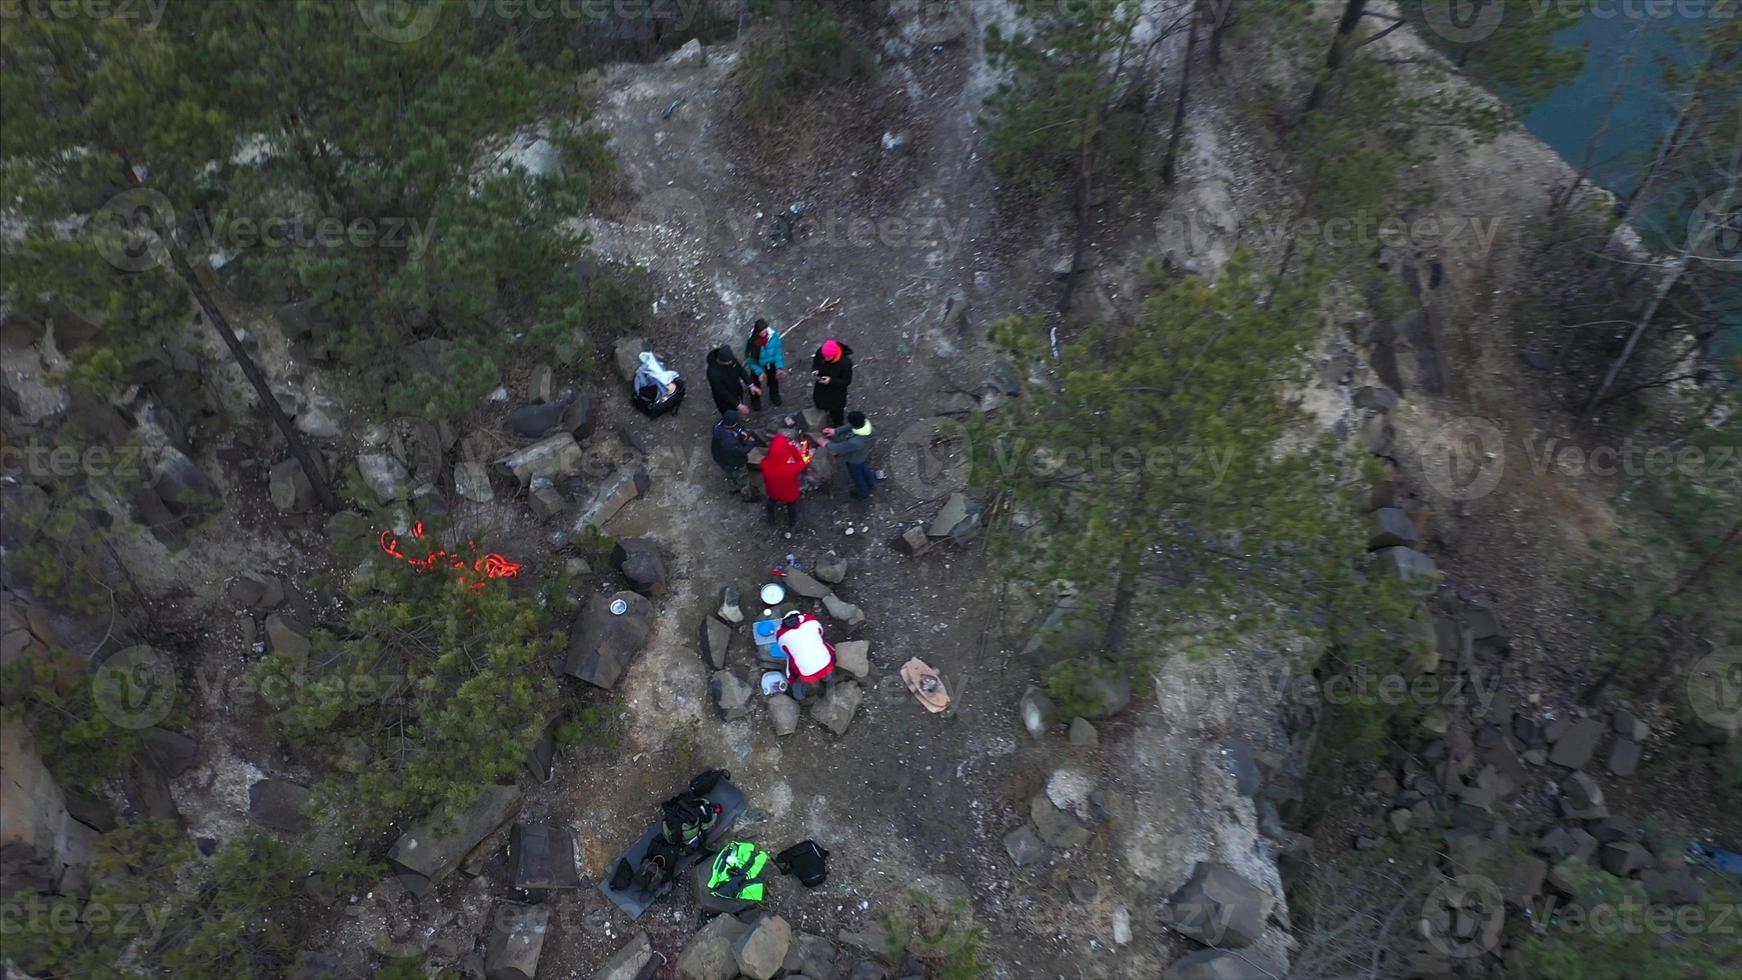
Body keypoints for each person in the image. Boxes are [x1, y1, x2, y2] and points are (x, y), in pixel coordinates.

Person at [775, 610, 835, 701]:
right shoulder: (811, 619)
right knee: (826, 649)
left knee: (793, 675)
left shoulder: (781, 633)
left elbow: (784, 651)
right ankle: (827, 679)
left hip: (807, 675)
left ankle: (799, 696)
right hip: (827, 664)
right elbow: (821, 632)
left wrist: (792, 678)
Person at [819, 411, 877, 499]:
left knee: (857, 476)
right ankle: (870, 482)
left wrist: (826, 443)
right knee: (864, 468)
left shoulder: (855, 442)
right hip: (863, 455)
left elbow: (840, 448)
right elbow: (852, 426)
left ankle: (863, 493)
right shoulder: (868, 426)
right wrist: (835, 431)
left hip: (854, 460)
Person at [760, 433, 807, 530]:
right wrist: (792, 448)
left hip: (773, 491)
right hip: (789, 493)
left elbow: (770, 456)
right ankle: (792, 522)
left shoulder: (764, 464)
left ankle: (771, 517)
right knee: (791, 506)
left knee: (771, 501)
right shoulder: (791, 469)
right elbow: (802, 463)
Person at [710, 411, 762, 499]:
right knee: (743, 477)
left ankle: (734, 487)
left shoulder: (718, 425)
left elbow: (734, 428)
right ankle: (747, 496)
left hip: (719, 456)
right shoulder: (730, 442)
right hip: (733, 461)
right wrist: (752, 443)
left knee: (730, 474)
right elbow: (742, 451)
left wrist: (739, 431)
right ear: (733, 424)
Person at [706, 345, 760, 416]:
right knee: (730, 415)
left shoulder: (729, 358)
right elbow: (721, 392)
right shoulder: (713, 373)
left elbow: (740, 370)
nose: (731, 362)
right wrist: (738, 405)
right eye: (728, 362)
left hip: (736, 390)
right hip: (724, 401)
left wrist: (751, 385)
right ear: (720, 360)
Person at [810, 338, 854, 428]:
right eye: (824, 356)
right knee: (820, 402)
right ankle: (823, 415)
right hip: (821, 386)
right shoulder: (821, 352)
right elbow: (816, 362)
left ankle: (837, 424)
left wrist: (831, 381)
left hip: (836, 392)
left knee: (836, 410)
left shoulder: (845, 363)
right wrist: (815, 370)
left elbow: (846, 381)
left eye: (828, 357)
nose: (825, 359)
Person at [744, 318, 785, 409]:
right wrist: (759, 372)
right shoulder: (751, 341)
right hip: (757, 365)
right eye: (762, 332)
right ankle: (755, 399)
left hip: (771, 364)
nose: (764, 333)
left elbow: (778, 352)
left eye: (765, 331)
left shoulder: (774, 337)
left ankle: (774, 394)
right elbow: (749, 357)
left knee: (773, 380)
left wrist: (779, 367)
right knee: (755, 382)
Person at [632, 351, 685, 417]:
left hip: (652, 392)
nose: (668, 385)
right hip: (653, 390)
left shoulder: (655, 392)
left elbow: (643, 385)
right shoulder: (662, 385)